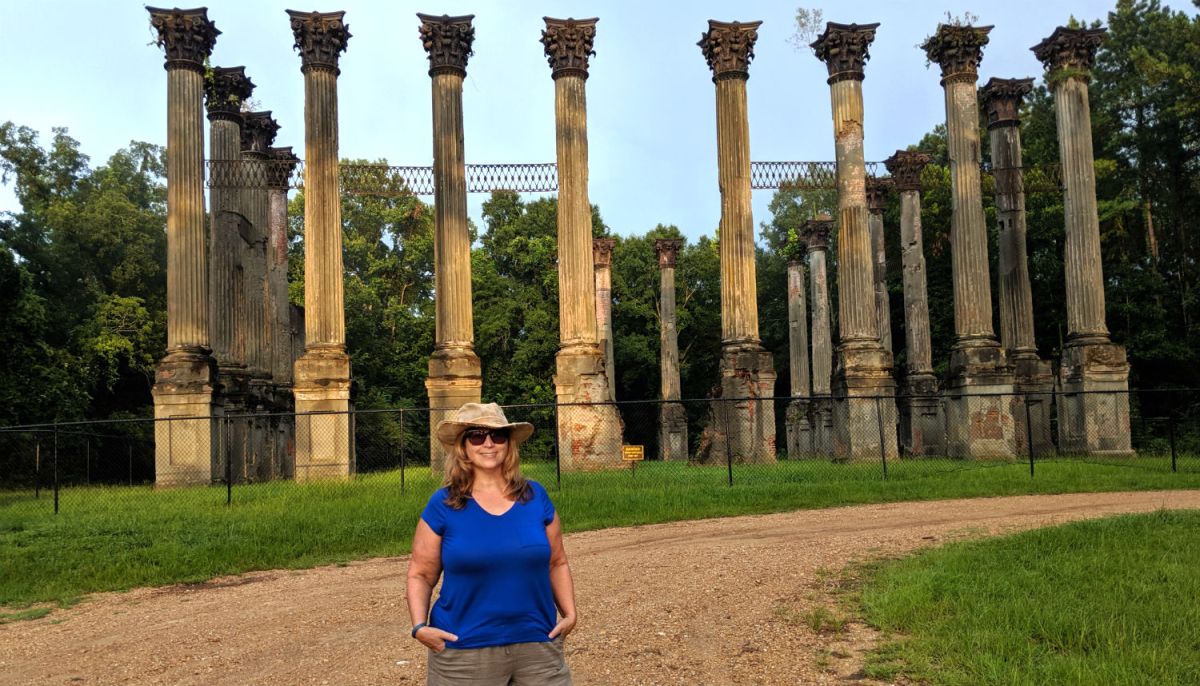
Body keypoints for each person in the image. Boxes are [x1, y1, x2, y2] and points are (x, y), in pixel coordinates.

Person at [407, 402, 577, 685]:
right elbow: (421, 573)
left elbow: (557, 561)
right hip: (464, 650)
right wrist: (419, 627)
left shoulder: (535, 496)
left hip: (538, 644)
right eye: (477, 435)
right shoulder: (444, 503)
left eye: (497, 436)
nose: (488, 443)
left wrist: (570, 614)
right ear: (463, 447)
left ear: (508, 444)